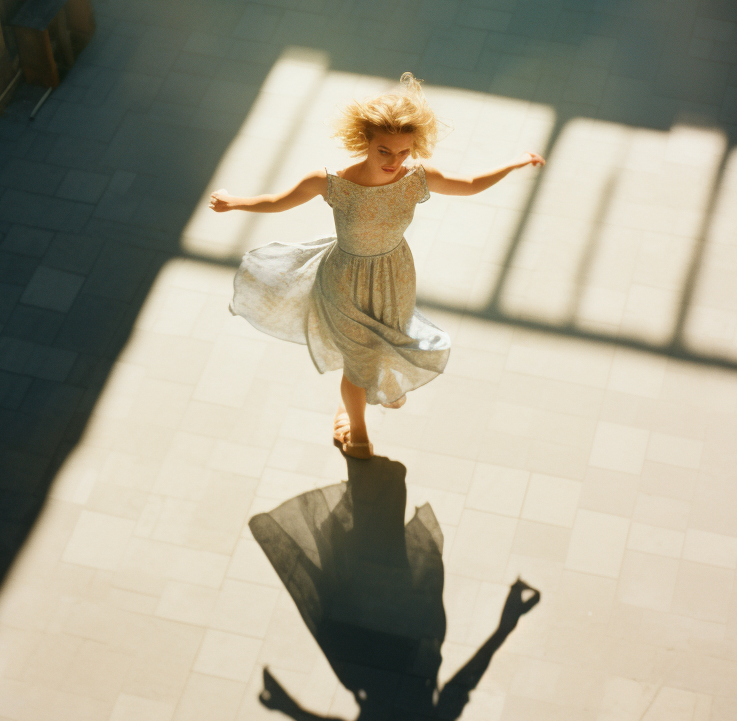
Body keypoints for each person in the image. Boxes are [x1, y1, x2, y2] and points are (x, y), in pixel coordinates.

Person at [210, 73, 544, 458]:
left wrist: (515, 163)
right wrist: (234, 201)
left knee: (385, 341)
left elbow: (468, 182)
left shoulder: (417, 179)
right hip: (344, 281)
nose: (395, 161)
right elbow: (275, 201)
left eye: (404, 152)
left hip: (394, 276)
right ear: (364, 140)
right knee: (358, 361)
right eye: (384, 150)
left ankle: (369, 393)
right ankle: (358, 432)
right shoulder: (330, 182)